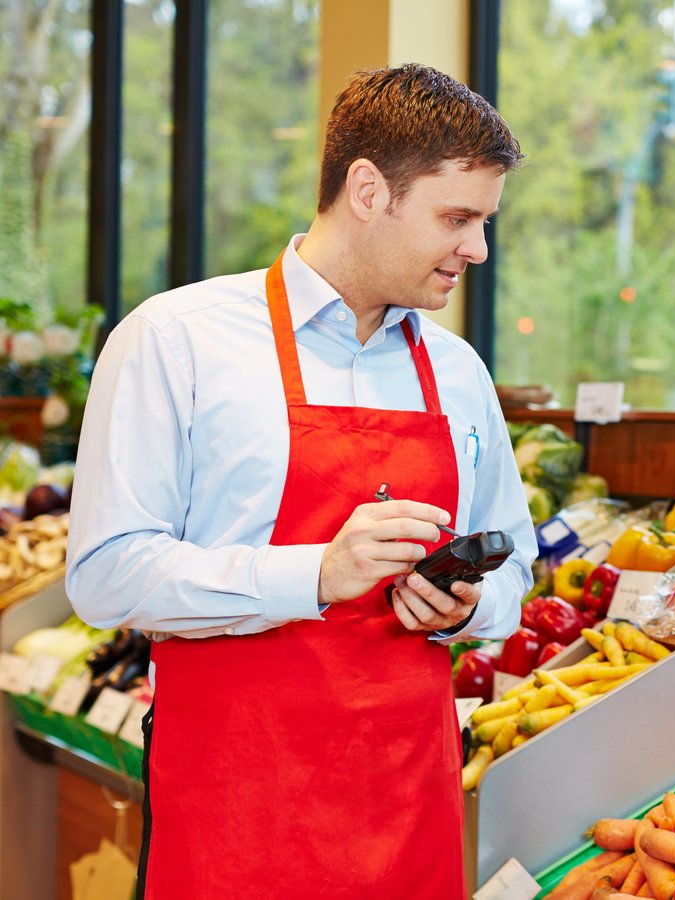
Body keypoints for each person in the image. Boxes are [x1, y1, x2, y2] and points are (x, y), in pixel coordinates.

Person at [66, 64, 536, 899]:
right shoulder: (177, 341)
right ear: (366, 190)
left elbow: (517, 572)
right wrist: (313, 573)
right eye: (457, 218)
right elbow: (105, 574)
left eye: (484, 220)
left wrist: (469, 604)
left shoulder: (458, 372)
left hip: (408, 805)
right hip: (238, 811)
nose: (478, 249)